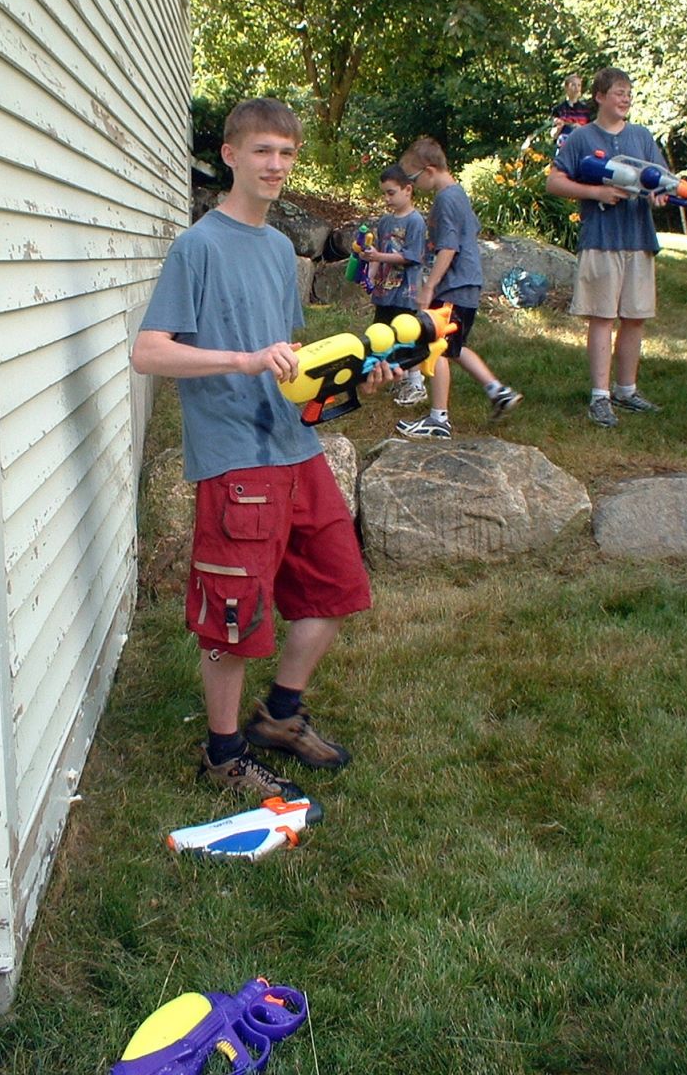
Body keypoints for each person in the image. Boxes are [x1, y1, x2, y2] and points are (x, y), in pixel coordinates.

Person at [131, 98, 395, 801]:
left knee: (336, 584)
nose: (276, 165)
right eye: (263, 151)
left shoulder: (279, 249)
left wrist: (355, 380)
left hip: (294, 445)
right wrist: (242, 361)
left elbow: (290, 362)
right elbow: (149, 352)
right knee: (233, 614)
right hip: (235, 457)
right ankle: (223, 755)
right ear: (230, 156)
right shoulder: (198, 246)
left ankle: (279, 715)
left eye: (286, 153)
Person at [545, 67, 667, 427]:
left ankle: (626, 391)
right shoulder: (582, 137)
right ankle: (600, 397)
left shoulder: (642, 137)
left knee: (635, 316)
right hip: (600, 239)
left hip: (639, 238)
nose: (625, 98)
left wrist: (660, 195)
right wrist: (596, 192)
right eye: (618, 92)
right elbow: (554, 182)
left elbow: (661, 182)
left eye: (629, 93)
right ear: (599, 96)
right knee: (602, 317)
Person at [393, 137, 523, 441]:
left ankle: (438, 419)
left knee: (436, 345)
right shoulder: (458, 193)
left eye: (413, 179)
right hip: (467, 285)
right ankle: (497, 391)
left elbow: (449, 248)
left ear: (429, 171)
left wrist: (429, 286)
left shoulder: (445, 200)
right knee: (454, 345)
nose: (413, 185)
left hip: (453, 285)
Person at [364, 164, 428, 406]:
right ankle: (396, 377)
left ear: (407, 190)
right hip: (385, 291)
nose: (387, 198)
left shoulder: (415, 221)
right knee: (381, 333)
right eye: (384, 193)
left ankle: (416, 382)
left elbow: (411, 256)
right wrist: (370, 275)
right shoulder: (385, 222)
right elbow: (378, 254)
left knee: (407, 336)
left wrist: (378, 257)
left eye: (391, 193)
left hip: (406, 292)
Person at [550, 73, 593, 144]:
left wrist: (580, 129)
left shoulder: (585, 110)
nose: (576, 88)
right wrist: (559, 128)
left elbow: (591, 134)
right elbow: (553, 135)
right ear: (566, 88)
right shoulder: (558, 109)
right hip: (564, 146)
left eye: (579, 85)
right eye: (573, 85)